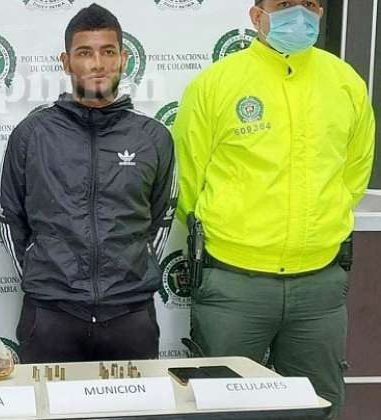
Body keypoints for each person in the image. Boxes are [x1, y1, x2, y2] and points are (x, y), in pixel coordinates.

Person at [173, 1, 375, 418]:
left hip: (318, 289)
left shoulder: (346, 84)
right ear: (256, 16)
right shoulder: (215, 84)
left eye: (311, 5)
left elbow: (354, 175)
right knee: (218, 408)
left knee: (319, 407)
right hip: (232, 285)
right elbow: (187, 183)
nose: (299, 16)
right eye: (284, 5)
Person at [0, 3, 177, 363]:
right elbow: (10, 215)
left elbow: (162, 215)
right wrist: (43, 277)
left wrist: (132, 271)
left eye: (108, 51)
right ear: (66, 62)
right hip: (50, 316)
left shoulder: (152, 136)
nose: (98, 63)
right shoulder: (32, 134)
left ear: (123, 58)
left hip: (130, 315)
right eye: (85, 53)